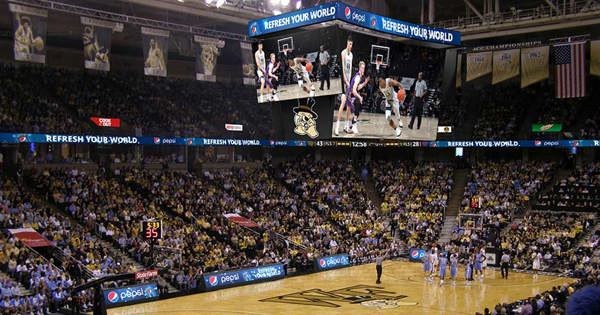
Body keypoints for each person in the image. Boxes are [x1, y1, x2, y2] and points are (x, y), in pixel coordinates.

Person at [335, 36, 354, 135]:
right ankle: (337, 127)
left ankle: (346, 127)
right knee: (343, 102)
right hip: (343, 81)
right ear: (347, 43)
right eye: (350, 44)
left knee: (349, 104)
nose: (351, 46)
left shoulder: (351, 55)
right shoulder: (343, 53)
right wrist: (346, 81)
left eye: (352, 45)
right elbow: (343, 68)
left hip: (348, 81)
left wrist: (350, 82)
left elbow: (350, 69)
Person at [345, 61, 368, 134]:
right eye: (362, 68)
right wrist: (360, 97)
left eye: (364, 68)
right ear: (359, 68)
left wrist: (364, 83)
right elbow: (354, 91)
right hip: (350, 96)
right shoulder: (358, 77)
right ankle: (353, 125)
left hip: (350, 94)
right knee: (358, 104)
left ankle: (350, 125)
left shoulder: (360, 76)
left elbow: (358, 87)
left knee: (357, 111)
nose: (363, 69)